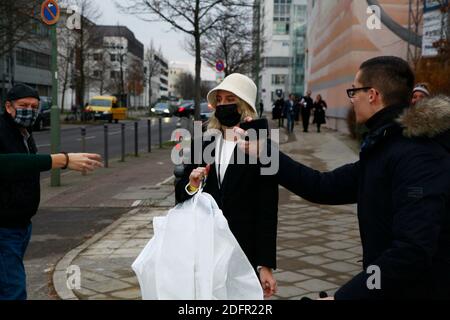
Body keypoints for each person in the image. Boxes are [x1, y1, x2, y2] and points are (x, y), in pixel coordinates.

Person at [237, 56, 450, 299]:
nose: (352, 99)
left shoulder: (419, 156)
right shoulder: (384, 147)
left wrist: (345, 297)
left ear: (372, 95)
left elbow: (412, 251)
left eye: (354, 91)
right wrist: (265, 153)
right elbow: (322, 186)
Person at [175, 73, 278, 298]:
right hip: (206, 246)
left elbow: (268, 209)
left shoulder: (261, 146)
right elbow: (180, 191)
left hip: (244, 248)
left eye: (230, 99)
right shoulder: (205, 140)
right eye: (219, 100)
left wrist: (265, 265)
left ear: (244, 105)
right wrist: (192, 184)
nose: (222, 105)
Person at [0, 83, 103, 300]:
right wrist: (60, 160)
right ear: (8, 107)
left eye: (34, 106)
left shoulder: (24, 132)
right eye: (23, 105)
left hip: (20, 225)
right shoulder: (2, 130)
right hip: (4, 227)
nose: (29, 110)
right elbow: (6, 164)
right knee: (13, 290)